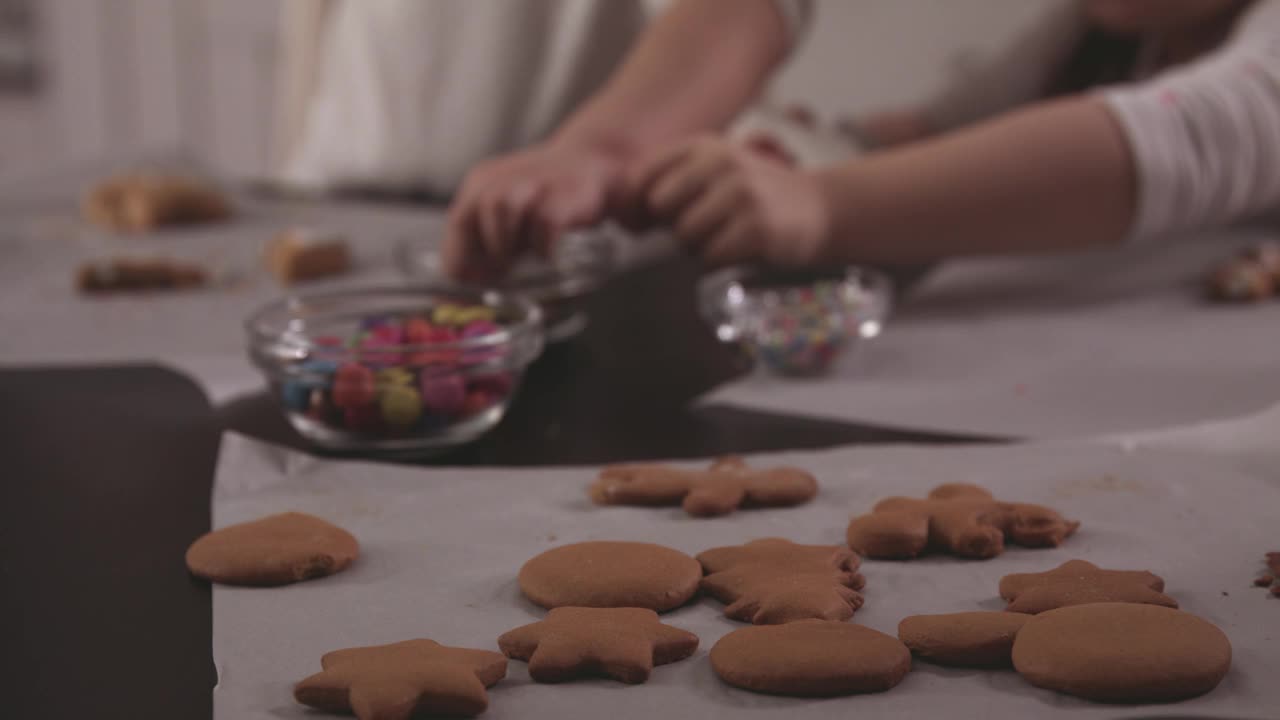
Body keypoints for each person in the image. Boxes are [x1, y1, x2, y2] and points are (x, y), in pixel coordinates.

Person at [444, 0, 1280, 280]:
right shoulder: (1100, 29)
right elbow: (941, 135)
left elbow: (1211, 133)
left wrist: (818, 203)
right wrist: (614, 152)